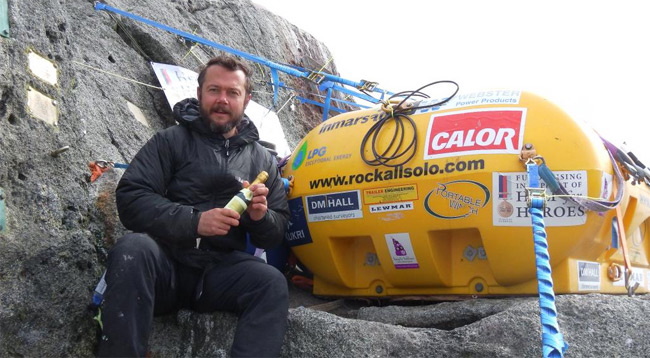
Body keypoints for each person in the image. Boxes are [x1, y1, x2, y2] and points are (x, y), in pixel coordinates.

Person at [96, 56, 290, 357]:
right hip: (166, 263)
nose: (222, 100)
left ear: (246, 99)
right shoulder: (169, 141)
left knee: (272, 283)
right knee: (133, 249)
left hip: (220, 273)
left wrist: (261, 217)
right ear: (199, 93)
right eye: (214, 90)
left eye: (232, 92)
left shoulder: (263, 160)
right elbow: (131, 198)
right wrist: (193, 221)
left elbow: (276, 233)